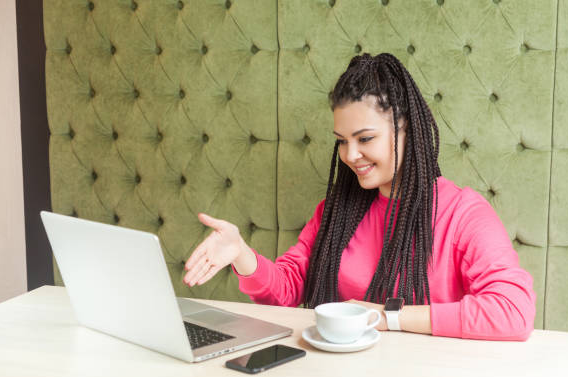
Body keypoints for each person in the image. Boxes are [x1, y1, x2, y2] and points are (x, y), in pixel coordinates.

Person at [183, 53, 536, 341]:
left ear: (407, 131)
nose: (350, 155)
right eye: (341, 140)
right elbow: (287, 291)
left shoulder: (463, 214)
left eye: (365, 139)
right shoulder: (336, 213)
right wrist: (241, 254)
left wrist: (387, 317)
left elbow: (513, 311)